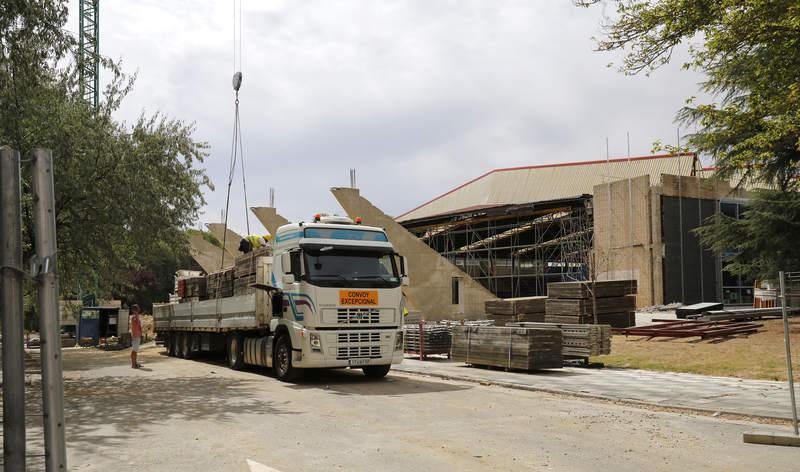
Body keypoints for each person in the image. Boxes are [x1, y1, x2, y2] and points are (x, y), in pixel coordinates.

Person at [130, 304, 143, 369]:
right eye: (137, 308)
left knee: (135, 350)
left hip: (137, 335)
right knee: (134, 350)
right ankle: (133, 364)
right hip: (135, 336)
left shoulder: (136, 317)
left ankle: (135, 363)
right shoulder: (134, 317)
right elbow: (136, 326)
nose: (139, 309)